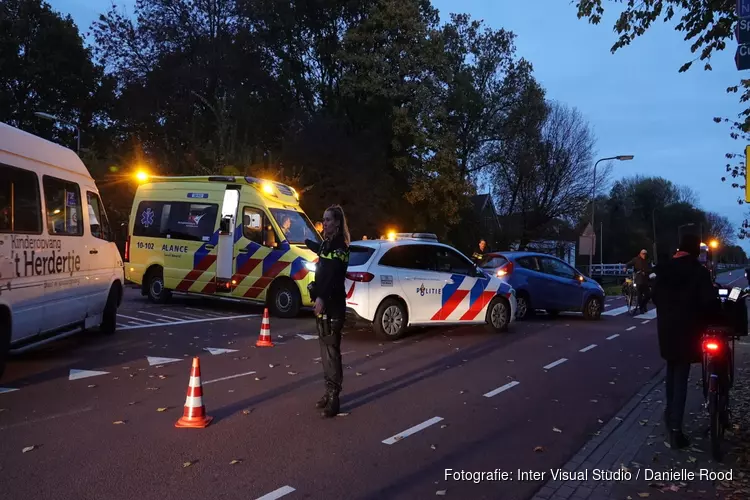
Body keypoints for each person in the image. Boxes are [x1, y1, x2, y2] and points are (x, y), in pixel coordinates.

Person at [653, 233, 719, 449]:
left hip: (667, 329)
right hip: (688, 330)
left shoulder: (665, 269)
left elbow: (655, 296)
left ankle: (669, 414)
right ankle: (676, 430)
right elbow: (709, 302)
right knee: (681, 376)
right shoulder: (698, 272)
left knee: (671, 371)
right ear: (695, 250)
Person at [304, 205, 350, 418]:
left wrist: (322, 296)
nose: (325, 223)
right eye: (323, 219)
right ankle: (328, 390)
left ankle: (335, 398)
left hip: (333, 305)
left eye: (328, 220)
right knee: (325, 350)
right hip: (323, 304)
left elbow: (333, 276)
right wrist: (308, 242)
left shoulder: (340, 246)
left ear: (337, 223)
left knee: (332, 351)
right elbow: (321, 254)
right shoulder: (326, 244)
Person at [626, 249, 652, 314]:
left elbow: (651, 269)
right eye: (643, 254)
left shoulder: (648, 260)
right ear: (640, 254)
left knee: (648, 295)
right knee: (639, 294)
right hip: (638, 279)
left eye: (645, 254)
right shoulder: (636, 259)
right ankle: (641, 308)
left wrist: (647, 272)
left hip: (646, 280)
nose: (644, 255)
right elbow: (629, 263)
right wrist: (625, 267)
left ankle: (643, 305)